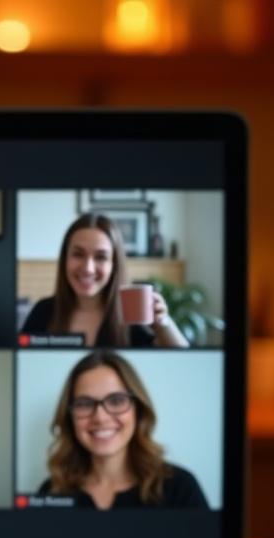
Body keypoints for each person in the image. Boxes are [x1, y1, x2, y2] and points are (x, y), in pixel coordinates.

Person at [38, 349, 207, 510]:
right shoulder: (51, 491)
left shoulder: (180, 488)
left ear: (138, 411)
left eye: (116, 401)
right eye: (84, 404)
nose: (100, 418)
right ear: (69, 417)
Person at [20, 214, 189, 348]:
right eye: (78, 254)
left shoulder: (132, 316)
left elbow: (182, 360)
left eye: (101, 257)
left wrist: (163, 323)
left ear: (113, 265)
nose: (88, 268)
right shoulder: (43, 311)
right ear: (65, 259)